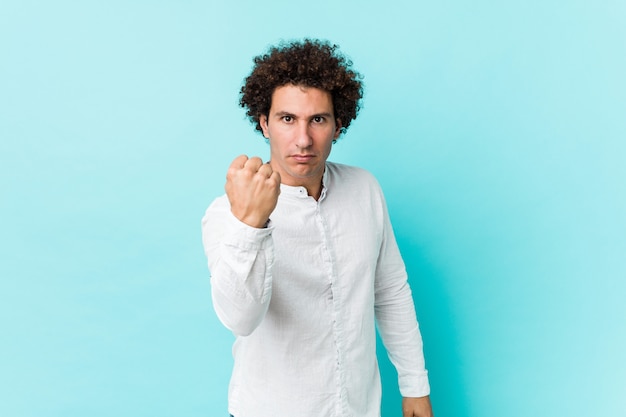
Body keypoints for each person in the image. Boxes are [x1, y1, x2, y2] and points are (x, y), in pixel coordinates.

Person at [201, 39, 433, 417]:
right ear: (264, 123)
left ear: (338, 124)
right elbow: (241, 319)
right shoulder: (227, 212)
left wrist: (415, 386)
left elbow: (390, 291)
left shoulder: (364, 189)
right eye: (287, 119)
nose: (303, 139)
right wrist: (252, 223)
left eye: (318, 120)